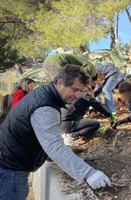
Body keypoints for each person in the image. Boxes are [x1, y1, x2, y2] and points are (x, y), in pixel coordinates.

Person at [0, 65, 111, 199]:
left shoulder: (44, 94)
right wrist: (89, 173)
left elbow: (38, 134)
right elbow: (53, 145)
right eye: (74, 89)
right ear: (59, 83)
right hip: (9, 171)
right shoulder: (45, 107)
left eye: (80, 91)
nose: (77, 96)